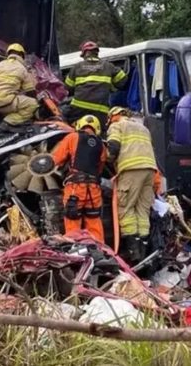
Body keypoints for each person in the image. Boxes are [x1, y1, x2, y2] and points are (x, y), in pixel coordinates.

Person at [106, 106, 162, 265]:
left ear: (114, 115)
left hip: (131, 170)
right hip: (150, 170)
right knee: (142, 210)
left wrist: (107, 159)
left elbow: (113, 148)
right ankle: (144, 251)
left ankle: (133, 252)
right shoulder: (143, 128)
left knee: (126, 208)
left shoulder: (117, 125)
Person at [51, 114, 106, 244]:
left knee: (72, 221)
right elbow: (100, 167)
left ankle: (75, 251)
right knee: (94, 223)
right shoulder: (101, 145)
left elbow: (57, 159)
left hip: (75, 189)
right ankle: (99, 253)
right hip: (94, 190)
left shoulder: (72, 137)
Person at [64, 41, 128, 128]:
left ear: (84, 54)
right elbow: (122, 80)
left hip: (79, 110)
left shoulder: (77, 67)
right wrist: (111, 87)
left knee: (73, 128)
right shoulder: (108, 66)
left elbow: (67, 88)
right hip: (100, 112)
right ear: (97, 53)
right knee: (99, 134)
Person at [0, 43, 39, 130]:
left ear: (8, 54)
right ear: (21, 55)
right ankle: (8, 122)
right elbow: (30, 91)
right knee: (32, 104)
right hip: (4, 101)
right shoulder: (22, 68)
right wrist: (37, 102)